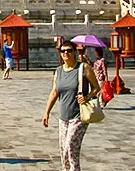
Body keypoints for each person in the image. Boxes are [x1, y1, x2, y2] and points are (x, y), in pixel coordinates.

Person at [43, 41, 100, 171]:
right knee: (63, 151)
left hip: (79, 116)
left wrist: (87, 97)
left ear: (74, 52)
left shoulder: (83, 68)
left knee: (71, 147)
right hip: (63, 117)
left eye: (69, 50)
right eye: (63, 51)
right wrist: (46, 113)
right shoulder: (58, 71)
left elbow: (96, 87)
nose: (66, 53)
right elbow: (54, 92)